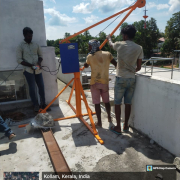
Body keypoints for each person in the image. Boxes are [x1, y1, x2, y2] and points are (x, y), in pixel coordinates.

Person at [107, 25, 143, 134]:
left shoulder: (119, 45)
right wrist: (131, 71)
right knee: (128, 103)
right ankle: (126, 125)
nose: (122, 36)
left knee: (117, 103)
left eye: (123, 34)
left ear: (125, 35)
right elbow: (139, 67)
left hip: (120, 78)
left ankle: (118, 126)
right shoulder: (139, 48)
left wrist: (108, 37)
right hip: (131, 79)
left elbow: (111, 44)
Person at [84, 39, 117, 127]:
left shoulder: (90, 56)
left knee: (97, 103)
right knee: (106, 102)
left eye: (89, 46)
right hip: (104, 83)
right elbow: (116, 64)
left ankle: (99, 122)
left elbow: (86, 65)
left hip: (94, 83)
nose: (88, 47)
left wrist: (86, 62)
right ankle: (109, 117)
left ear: (93, 46)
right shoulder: (108, 54)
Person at [16, 27, 51, 112]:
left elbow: (40, 56)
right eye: (28, 36)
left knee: (41, 87)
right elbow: (19, 60)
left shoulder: (36, 45)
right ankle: (35, 105)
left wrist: (39, 62)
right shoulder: (20, 46)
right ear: (24, 35)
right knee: (32, 88)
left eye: (31, 36)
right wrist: (30, 65)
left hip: (38, 70)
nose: (30, 38)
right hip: (28, 71)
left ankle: (43, 104)